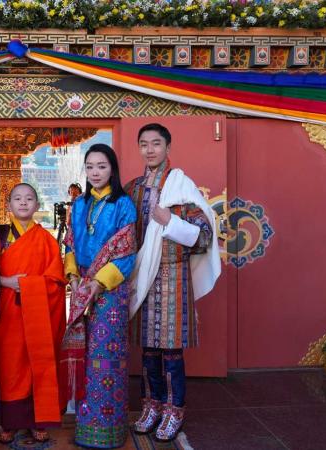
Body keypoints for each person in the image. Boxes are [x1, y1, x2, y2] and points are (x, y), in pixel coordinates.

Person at [125, 123, 220, 442]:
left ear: (168, 147)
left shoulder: (182, 187)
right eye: (143, 144)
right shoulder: (133, 189)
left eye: (156, 143)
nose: (149, 150)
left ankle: (174, 410)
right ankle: (150, 407)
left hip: (173, 277)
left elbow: (205, 237)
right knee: (148, 350)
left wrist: (171, 222)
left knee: (171, 351)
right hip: (142, 276)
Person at [61, 144, 137, 449]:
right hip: (82, 288)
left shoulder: (123, 204)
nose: (95, 172)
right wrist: (75, 277)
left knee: (106, 358)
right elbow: (69, 244)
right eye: (90, 166)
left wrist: (98, 283)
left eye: (101, 166)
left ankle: (108, 430)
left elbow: (127, 252)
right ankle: (85, 427)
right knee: (83, 355)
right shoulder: (78, 204)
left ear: (112, 169)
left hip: (110, 293)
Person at [0, 183, 67, 445]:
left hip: (39, 315)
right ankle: (11, 423)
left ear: (37, 205)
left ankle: (38, 421)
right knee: (10, 364)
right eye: (17, 199)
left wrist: (26, 284)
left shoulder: (46, 239)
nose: (23, 203)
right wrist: (6, 281)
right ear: (8, 205)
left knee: (39, 362)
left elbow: (57, 280)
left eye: (29, 199)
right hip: (9, 312)